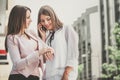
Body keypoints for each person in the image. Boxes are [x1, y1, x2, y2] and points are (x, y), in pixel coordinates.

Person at [5, 5, 54, 80]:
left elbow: (44, 54)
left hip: (35, 76)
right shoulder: (12, 38)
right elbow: (17, 65)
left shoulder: (32, 33)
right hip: (19, 77)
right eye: (28, 18)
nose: (31, 20)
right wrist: (38, 53)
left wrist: (43, 37)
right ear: (19, 19)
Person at [37, 5, 79, 80]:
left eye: (48, 19)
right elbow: (44, 60)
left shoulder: (66, 29)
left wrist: (66, 74)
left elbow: (73, 55)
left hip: (63, 76)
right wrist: (43, 37)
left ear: (53, 16)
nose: (46, 23)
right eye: (42, 21)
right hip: (49, 77)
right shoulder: (47, 36)